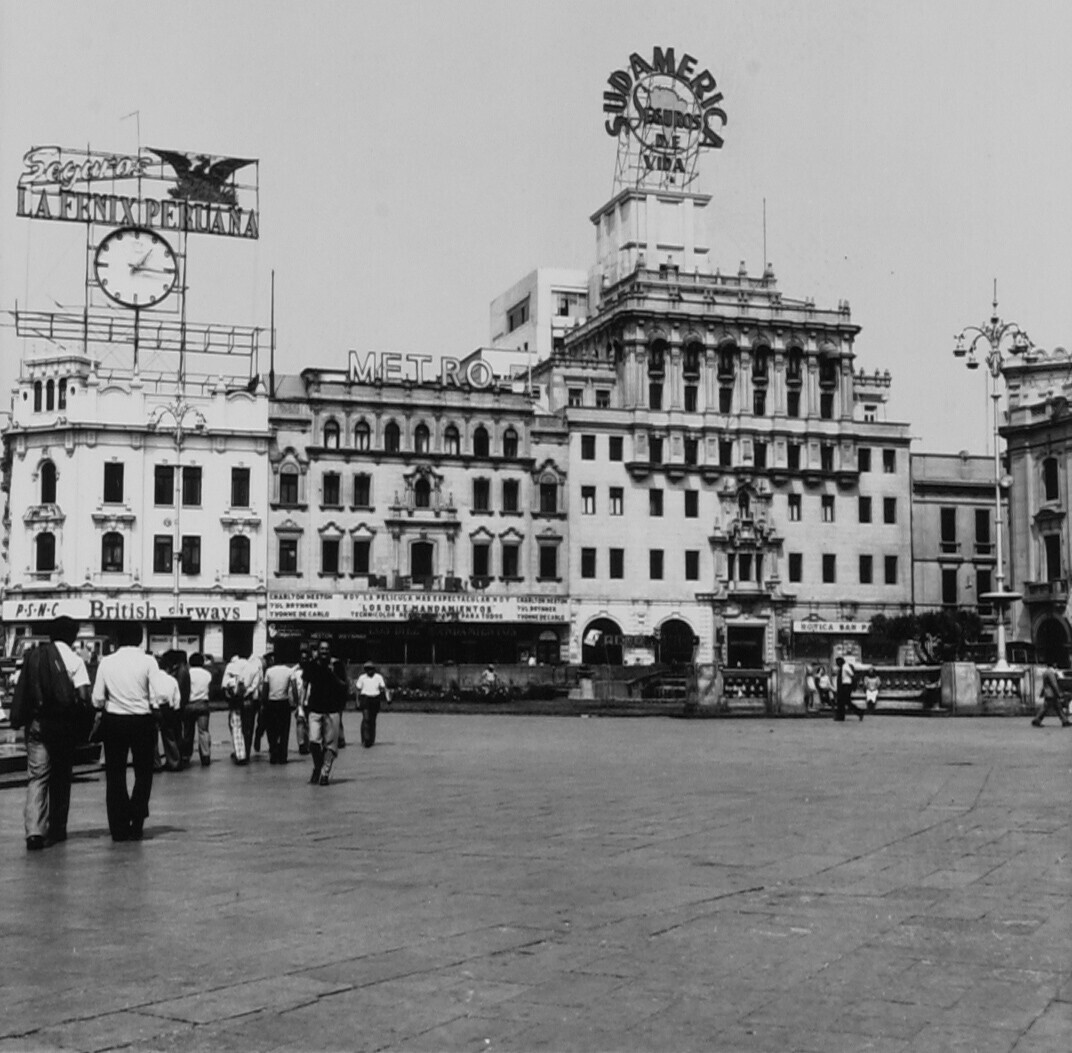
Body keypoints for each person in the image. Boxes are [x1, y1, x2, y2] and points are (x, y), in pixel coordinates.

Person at [20, 617, 91, 851]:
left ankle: (34, 832)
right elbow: (84, 696)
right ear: (73, 636)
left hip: (36, 724)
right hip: (62, 726)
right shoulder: (75, 660)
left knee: (37, 777)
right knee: (61, 777)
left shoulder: (34, 656)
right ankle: (57, 827)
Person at [92, 623, 163, 842]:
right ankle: (137, 819)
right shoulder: (149, 661)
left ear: (117, 639)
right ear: (140, 639)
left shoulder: (106, 662)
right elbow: (159, 693)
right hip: (142, 720)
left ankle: (118, 826)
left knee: (115, 774)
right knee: (144, 773)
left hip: (114, 721)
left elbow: (97, 698)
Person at [303, 640, 349, 785]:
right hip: (315, 708)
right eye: (321, 649)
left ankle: (325, 773)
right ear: (318, 650)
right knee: (313, 742)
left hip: (332, 709)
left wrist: (332, 673)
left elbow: (344, 685)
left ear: (330, 651)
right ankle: (318, 766)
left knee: (330, 745)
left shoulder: (337, 665)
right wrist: (301, 705)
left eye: (326, 649)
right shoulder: (312, 665)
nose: (324, 651)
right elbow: (305, 685)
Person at [262, 651, 299, 764]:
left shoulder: (269, 671)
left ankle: (273, 754)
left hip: (271, 703)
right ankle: (283, 756)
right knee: (284, 731)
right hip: (284, 703)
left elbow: (265, 689)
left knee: (272, 730)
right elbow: (294, 688)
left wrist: (264, 703)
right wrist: (296, 702)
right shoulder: (289, 671)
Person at [183, 653, 213, 766]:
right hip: (203, 704)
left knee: (188, 731)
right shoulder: (207, 674)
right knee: (203, 731)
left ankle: (186, 755)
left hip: (189, 704)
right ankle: (205, 755)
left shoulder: (188, 673)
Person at [355, 660, 390, 747]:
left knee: (372, 720)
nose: (369, 671)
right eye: (367, 669)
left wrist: (388, 698)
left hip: (375, 699)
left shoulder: (378, 677)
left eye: (371, 669)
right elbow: (358, 690)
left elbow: (384, 688)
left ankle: (371, 739)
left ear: (374, 669)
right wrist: (357, 701)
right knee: (366, 718)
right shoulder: (362, 678)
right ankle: (365, 739)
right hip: (365, 698)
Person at [1032, 662, 1070, 727]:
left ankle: (1065, 721)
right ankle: (1037, 720)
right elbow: (1054, 684)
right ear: (1053, 665)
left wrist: (1042, 693)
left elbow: (1045, 684)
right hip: (1051, 693)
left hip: (1049, 693)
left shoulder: (1046, 672)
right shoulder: (1050, 673)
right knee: (1046, 708)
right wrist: (1059, 693)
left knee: (1058, 707)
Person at [834, 655, 864, 722]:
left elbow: (852, 675)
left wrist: (853, 685)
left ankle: (859, 712)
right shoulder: (842, 667)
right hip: (843, 686)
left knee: (846, 701)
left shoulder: (845, 666)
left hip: (846, 686)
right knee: (841, 701)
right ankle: (840, 716)